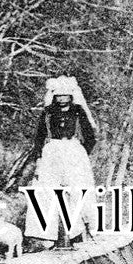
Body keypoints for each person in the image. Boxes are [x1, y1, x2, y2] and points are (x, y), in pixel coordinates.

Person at [22, 75, 98, 247]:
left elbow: (90, 136)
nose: (62, 99)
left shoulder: (78, 111)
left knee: (78, 190)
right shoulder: (48, 113)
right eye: (59, 96)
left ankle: (78, 232)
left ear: (71, 96)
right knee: (45, 191)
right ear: (54, 96)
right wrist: (40, 156)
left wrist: (81, 153)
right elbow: (39, 136)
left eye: (65, 95)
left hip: (72, 150)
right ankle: (43, 236)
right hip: (52, 152)